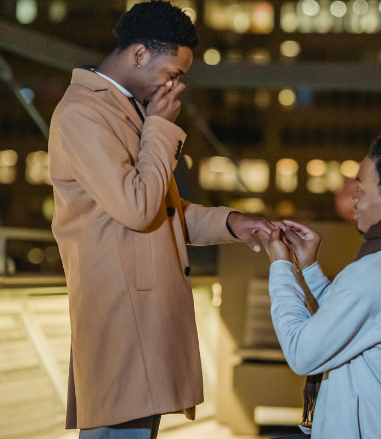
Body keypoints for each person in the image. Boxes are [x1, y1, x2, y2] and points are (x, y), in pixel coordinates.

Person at [47, 2, 275, 437]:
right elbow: (137, 208)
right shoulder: (83, 112)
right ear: (138, 54)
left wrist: (233, 223)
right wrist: (157, 129)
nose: (176, 85)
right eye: (172, 72)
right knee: (119, 428)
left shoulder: (125, 108)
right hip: (119, 313)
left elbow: (163, 212)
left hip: (141, 314)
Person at [259, 131, 381, 438]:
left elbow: (302, 351)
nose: (354, 201)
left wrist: (281, 265)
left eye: (361, 190)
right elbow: (354, 324)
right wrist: (309, 267)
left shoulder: (379, 270)